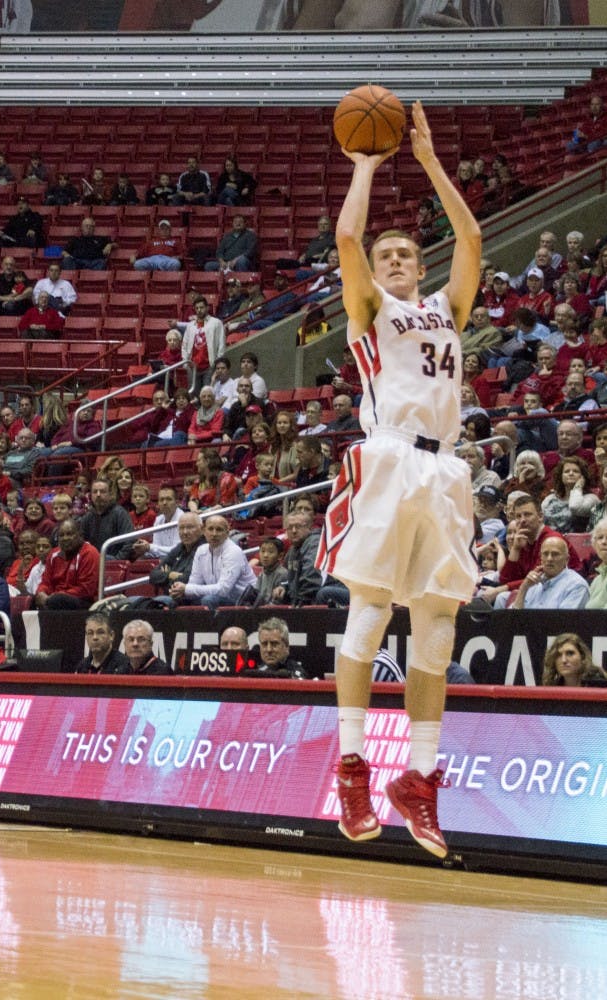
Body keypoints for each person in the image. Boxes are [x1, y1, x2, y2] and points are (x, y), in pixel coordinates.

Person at [315, 100, 481, 857]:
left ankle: (417, 781)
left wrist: (430, 163)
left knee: (437, 626)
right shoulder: (367, 308)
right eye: (387, 258)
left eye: (405, 255)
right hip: (387, 456)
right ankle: (351, 764)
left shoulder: (446, 306)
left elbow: (472, 236)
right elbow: (348, 235)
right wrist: (367, 164)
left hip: (445, 469)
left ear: (420, 267)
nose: (393, 262)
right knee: (371, 613)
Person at [168, 514, 256, 611]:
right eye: (210, 529)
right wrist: (180, 591)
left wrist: (187, 589)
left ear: (227, 533)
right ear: (204, 531)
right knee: (173, 600)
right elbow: (195, 583)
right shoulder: (201, 550)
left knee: (209, 600)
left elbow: (223, 590)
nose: (214, 534)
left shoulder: (233, 552)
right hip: (217, 596)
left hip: (243, 601)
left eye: (219, 530)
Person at [34, 520, 99, 610]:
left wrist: (57, 595)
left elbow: (86, 589)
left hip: (84, 602)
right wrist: (41, 592)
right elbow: (46, 582)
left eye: (69, 534)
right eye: (61, 535)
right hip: (54, 599)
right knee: (33, 599)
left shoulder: (89, 552)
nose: (65, 538)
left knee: (58, 600)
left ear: (80, 535)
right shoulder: (53, 554)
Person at [510, 536, 589, 610]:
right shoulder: (532, 583)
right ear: (540, 558)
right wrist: (523, 588)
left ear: (567, 559)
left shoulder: (577, 586)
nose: (549, 559)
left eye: (555, 554)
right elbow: (513, 619)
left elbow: (563, 623)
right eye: (545, 554)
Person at [273, 511, 322, 607]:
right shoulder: (293, 549)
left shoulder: (314, 543)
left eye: (298, 526)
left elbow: (311, 579)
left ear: (309, 528)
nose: (294, 531)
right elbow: (287, 577)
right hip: (299, 600)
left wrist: (297, 607)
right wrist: (283, 587)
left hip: (314, 601)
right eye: (290, 528)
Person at [80, 479, 133, 560]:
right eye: (95, 492)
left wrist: (117, 561)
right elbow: (81, 544)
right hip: (93, 563)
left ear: (110, 494)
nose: (98, 495)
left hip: (114, 563)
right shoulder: (87, 517)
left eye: (102, 491)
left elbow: (129, 542)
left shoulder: (120, 514)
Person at [180, 296, 226, 392]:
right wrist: (186, 362)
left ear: (207, 308)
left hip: (209, 365)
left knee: (208, 394)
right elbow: (184, 345)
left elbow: (221, 345)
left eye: (201, 307)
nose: (199, 310)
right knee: (193, 394)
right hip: (193, 366)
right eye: (197, 308)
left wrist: (217, 363)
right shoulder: (190, 326)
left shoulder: (216, 323)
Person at [130, 484, 181, 561]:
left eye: (169, 499)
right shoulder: (158, 520)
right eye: (161, 500)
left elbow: (177, 551)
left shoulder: (183, 519)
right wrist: (143, 549)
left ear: (177, 502)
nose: (164, 503)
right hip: (162, 562)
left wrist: (149, 547)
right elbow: (157, 549)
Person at [541, 633, 607, 687]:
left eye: (570, 653)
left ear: (582, 656)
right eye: (558, 655)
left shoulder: (600, 685)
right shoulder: (552, 688)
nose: (564, 660)